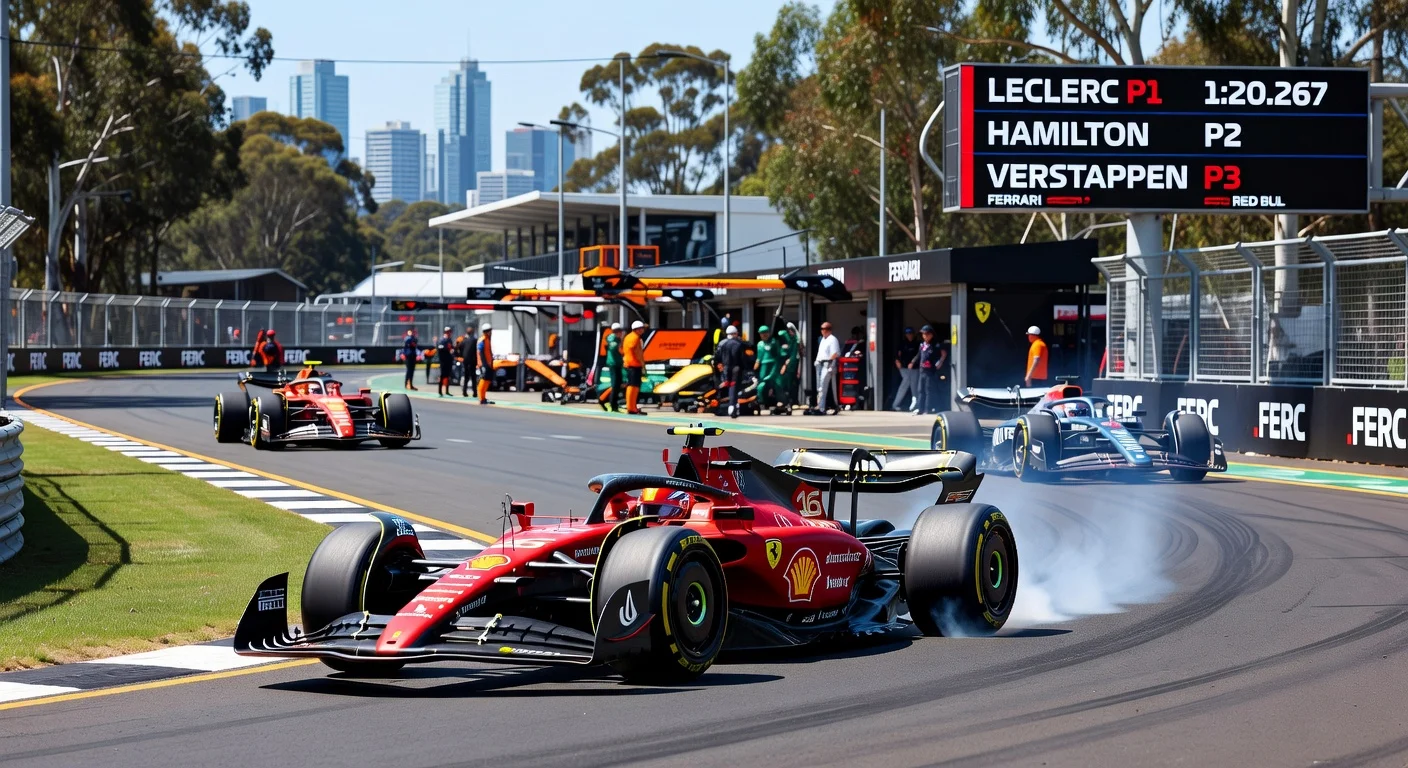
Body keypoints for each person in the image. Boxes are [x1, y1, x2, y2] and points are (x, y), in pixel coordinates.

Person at [714, 325, 746, 418]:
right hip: (736, 370)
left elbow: (717, 357)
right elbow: (742, 359)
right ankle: (733, 407)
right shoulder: (739, 344)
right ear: (735, 333)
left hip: (726, 370)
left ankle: (725, 406)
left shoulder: (723, 344)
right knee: (734, 388)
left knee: (728, 387)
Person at [811, 321, 841, 415]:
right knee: (819, 387)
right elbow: (821, 353)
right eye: (822, 329)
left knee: (823, 387)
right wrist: (817, 361)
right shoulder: (822, 339)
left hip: (827, 364)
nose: (822, 331)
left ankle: (822, 407)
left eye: (824, 329)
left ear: (829, 330)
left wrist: (831, 366)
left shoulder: (832, 339)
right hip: (820, 364)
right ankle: (819, 405)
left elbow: (835, 354)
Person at [915, 325, 946, 414]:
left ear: (931, 335)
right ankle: (920, 409)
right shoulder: (922, 345)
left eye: (926, 334)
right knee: (920, 390)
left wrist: (939, 362)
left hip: (930, 371)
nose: (924, 336)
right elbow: (919, 355)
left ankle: (927, 409)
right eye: (923, 334)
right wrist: (913, 362)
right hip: (922, 370)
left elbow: (943, 354)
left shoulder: (936, 345)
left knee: (929, 390)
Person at [754, 325, 784, 411]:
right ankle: (762, 402)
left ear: (768, 333)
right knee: (761, 385)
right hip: (764, 366)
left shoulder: (774, 342)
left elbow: (778, 355)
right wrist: (755, 365)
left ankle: (781, 402)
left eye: (765, 333)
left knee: (776, 383)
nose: (763, 335)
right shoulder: (759, 344)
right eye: (761, 333)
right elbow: (759, 357)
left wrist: (779, 365)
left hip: (773, 365)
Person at [623, 319, 648, 415]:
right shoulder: (636, 338)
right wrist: (643, 365)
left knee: (631, 386)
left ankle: (631, 407)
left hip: (629, 364)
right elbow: (638, 353)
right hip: (635, 365)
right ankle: (632, 408)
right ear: (636, 329)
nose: (643, 330)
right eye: (641, 328)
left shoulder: (627, 337)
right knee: (634, 387)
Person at [892, 327, 920, 412]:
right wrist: (897, 361)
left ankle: (915, 405)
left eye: (911, 333)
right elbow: (897, 354)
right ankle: (896, 404)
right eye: (907, 334)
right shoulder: (902, 344)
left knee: (913, 385)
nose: (909, 335)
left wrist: (913, 362)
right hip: (904, 367)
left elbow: (919, 354)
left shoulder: (917, 343)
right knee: (907, 382)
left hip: (914, 368)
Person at [601, 322, 625, 412]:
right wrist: (621, 342)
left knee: (618, 385)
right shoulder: (612, 338)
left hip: (618, 364)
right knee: (615, 385)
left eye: (620, 331)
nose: (619, 332)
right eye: (617, 331)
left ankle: (613, 403)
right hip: (613, 364)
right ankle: (612, 404)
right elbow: (612, 347)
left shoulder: (617, 339)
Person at [475, 326, 495, 404]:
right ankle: (481, 398)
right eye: (490, 331)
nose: (491, 333)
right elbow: (479, 352)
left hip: (488, 363)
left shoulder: (487, 339)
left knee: (488, 379)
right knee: (483, 379)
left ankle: (483, 397)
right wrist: (482, 364)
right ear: (487, 331)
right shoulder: (482, 339)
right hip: (484, 363)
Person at [457, 324, 477, 397]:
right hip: (473, 361)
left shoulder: (464, 341)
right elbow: (476, 351)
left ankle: (464, 392)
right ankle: (475, 392)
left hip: (466, 361)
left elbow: (459, 348)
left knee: (466, 377)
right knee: (473, 377)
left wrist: (461, 356)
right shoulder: (475, 340)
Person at [436, 326, 456, 397]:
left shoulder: (449, 340)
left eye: (450, 331)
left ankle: (447, 390)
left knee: (448, 375)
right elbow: (440, 349)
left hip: (449, 360)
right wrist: (447, 349)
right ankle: (440, 391)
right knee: (442, 375)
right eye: (448, 331)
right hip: (443, 360)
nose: (449, 333)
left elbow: (451, 348)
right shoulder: (442, 340)